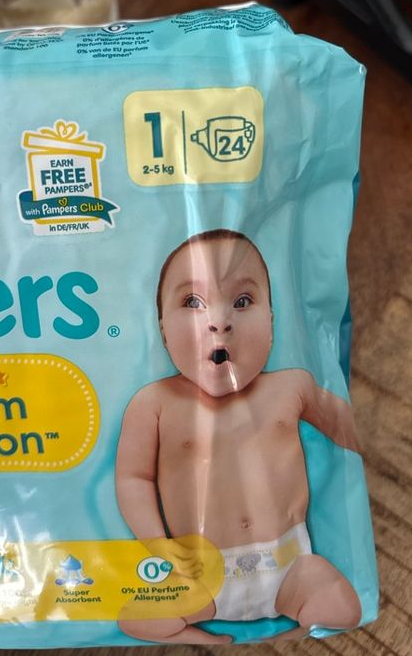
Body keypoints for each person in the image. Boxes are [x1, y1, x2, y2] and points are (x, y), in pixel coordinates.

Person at [115, 229, 362, 643]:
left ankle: (292, 632)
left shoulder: (291, 387)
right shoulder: (154, 404)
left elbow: (348, 429)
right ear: (163, 329)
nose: (219, 321)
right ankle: (200, 637)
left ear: (271, 321)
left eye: (243, 301)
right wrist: (157, 544)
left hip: (290, 567)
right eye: (192, 302)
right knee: (134, 615)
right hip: (202, 573)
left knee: (344, 607)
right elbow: (133, 479)